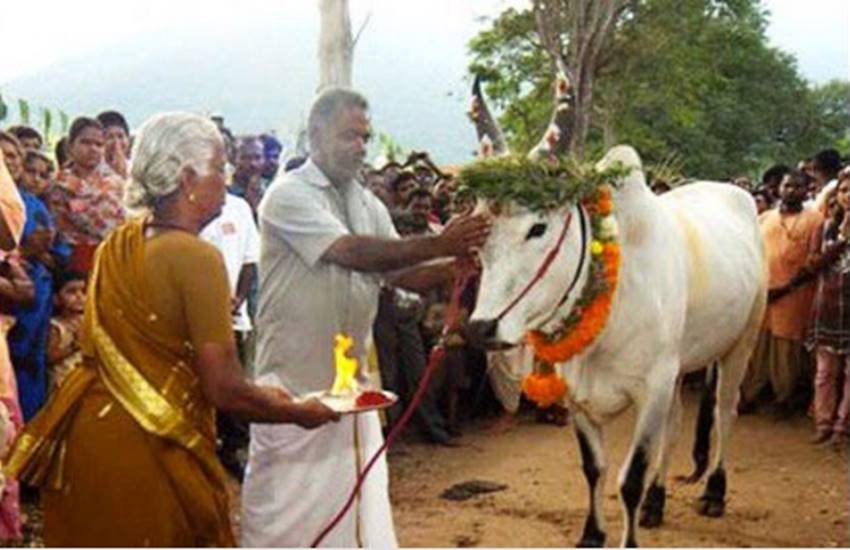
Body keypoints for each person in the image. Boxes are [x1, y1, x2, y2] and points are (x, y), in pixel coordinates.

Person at [2, 112, 339, 547]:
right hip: (149, 447)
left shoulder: (116, 245)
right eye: (219, 167)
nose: (227, 176)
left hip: (88, 443)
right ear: (187, 178)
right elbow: (224, 388)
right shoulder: (196, 258)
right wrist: (296, 411)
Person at [241, 88, 490, 547]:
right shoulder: (288, 195)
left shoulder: (366, 203)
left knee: (355, 509)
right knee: (284, 515)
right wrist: (440, 243)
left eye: (364, 137)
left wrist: (455, 267)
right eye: (349, 136)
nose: (360, 147)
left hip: (349, 384)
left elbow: (399, 271)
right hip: (293, 384)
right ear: (314, 135)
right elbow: (350, 252)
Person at [0, 133, 71, 420]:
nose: (7, 161)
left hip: (32, 299)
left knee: (31, 363)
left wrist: (40, 255)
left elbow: (56, 250)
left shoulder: (32, 206)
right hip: (11, 298)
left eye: (12, 155)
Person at [742, 169, 823, 415]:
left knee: (786, 352)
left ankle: (783, 398)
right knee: (756, 348)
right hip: (762, 293)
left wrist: (785, 288)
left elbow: (814, 262)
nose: (791, 191)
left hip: (794, 295)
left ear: (806, 190)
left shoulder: (815, 220)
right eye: (787, 186)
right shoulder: (765, 218)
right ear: (780, 188)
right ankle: (749, 395)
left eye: (797, 187)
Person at [200, 191, 260, 479]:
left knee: (232, 382)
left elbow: (250, 260)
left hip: (233, 315)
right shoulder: (186, 209)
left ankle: (234, 447)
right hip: (197, 316)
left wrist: (238, 298)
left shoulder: (239, 207)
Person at [48, 117, 126, 273]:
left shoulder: (117, 183)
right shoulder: (58, 184)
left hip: (113, 257)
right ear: (70, 146)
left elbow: (120, 223)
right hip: (72, 260)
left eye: (99, 144)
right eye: (85, 142)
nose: (93, 149)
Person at [806, 171, 850, 446]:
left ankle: (842, 428)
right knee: (825, 373)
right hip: (829, 309)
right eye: (844, 191)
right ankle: (823, 424)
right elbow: (812, 264)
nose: (849, 196)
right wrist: (842, 239)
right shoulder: (824, 228)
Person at [229, 136, 268, 218]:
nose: (253, 164)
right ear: (233, 160)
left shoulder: (270, 190)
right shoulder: (225, 194)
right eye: (246, 158)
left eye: (257, 157)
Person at [96, 110, 132, 178]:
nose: (116, 143)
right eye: (110, 137)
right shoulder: (93, 170)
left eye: (120, 136)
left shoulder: (136, 168)